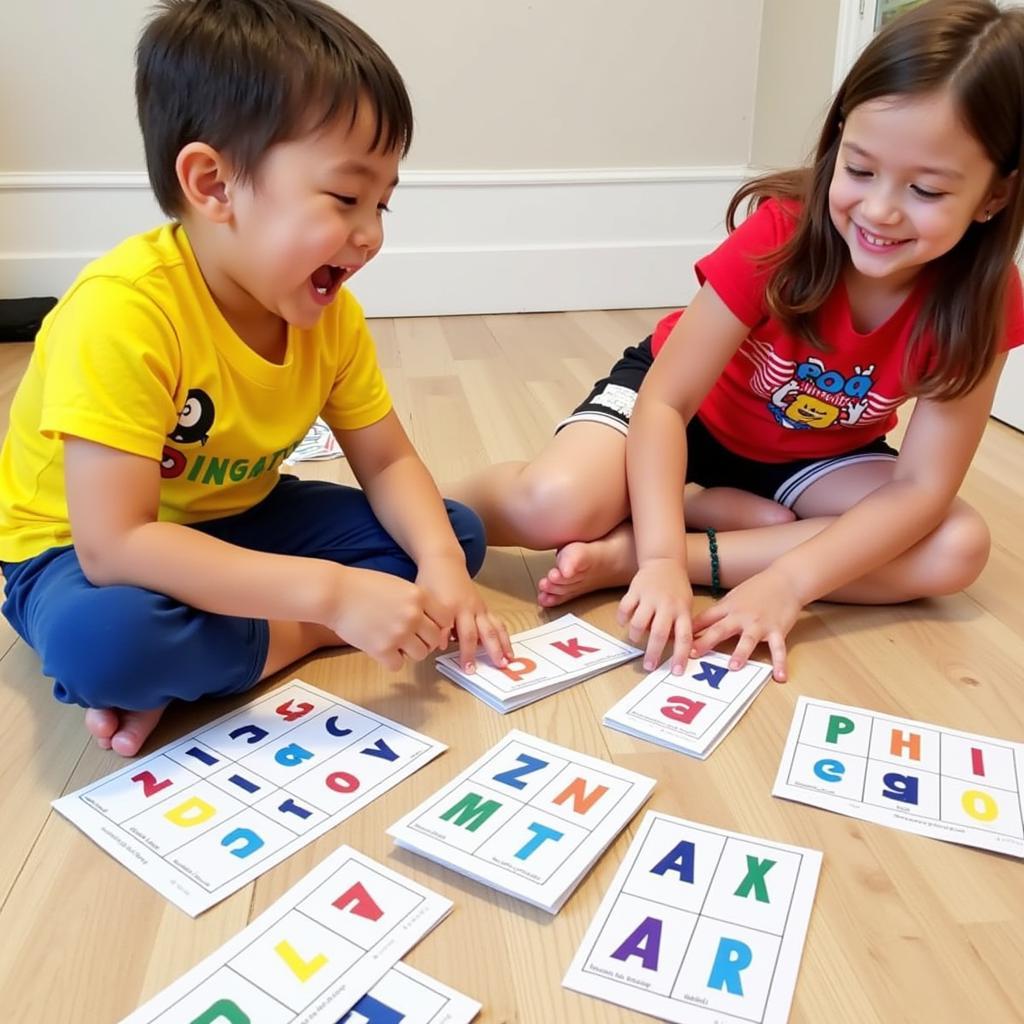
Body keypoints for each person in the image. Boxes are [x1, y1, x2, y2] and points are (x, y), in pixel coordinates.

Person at [452, 0, 1024, 683]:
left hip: (817, 455)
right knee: (556, 505)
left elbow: (921, 489)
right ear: (837, 139)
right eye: (860, 169)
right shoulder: (780, 235)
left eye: (926, 189)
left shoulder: (987, 300)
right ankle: (429, 512)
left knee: (956, 547)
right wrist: (663, 560)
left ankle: (654, 548)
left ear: (995, 196)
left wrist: (783, 583)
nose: (879, 210)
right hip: (686, 415)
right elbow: (666, 402)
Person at [0, 0, 511, 757]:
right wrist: (333, 601)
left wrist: (440, 568)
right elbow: (116, 546)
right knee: (107, 646)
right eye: (345, 198)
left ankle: (206, 661)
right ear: (213, 184)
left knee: (454, 534)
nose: (371, 233)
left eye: (382, 203)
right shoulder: (122, 312)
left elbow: (389, 460)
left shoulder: (330, 316)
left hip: (238, 515)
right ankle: (279, 639)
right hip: (79, 547)